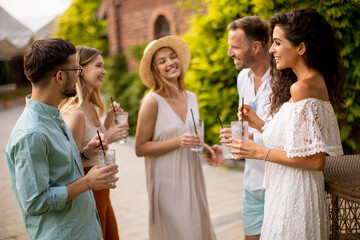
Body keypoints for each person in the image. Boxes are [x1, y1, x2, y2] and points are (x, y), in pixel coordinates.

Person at [231, 8, 344, 239]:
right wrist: (259, 123)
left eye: (277, 43)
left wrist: (259, 152)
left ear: (301, 48)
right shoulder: (312, 81)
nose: (271, 50)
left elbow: (315, 160)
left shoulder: (301, 88)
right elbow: (296, 141)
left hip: (295, 193)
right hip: (290, 189)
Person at [5, 38, 119, 239]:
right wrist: (87, 183)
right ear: (59, 77)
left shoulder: (53, 116)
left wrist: (84, 154)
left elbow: (58, 171)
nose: (78, 77)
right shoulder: (31, 133)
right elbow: (35, 202)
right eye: (76, 71)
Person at [135, 36, 217, 240]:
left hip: (193, 175)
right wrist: (177, 142)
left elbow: (189, 134)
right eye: (161, 61)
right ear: (155, 70)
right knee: (181, 233)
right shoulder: (152, 101)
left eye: (172, 57)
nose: (170, 63)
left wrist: (203, 145)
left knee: (197, 229)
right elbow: (140, 148)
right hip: (167, 182)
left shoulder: (191, 97)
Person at [205, 16, 271, 240]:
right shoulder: (242, 78)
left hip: (276, 184)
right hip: (251, 183)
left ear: (255, 47)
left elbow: (287, 138)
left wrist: (247, 136)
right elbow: (245, 129)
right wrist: (229, 152)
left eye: (235, 46)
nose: (229, 53)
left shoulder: (283, 81)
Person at [59, 46, 129, 240]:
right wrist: (111, 137)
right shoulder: (75, 113)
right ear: (80, 69)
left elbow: (95, 145)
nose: (104, 71)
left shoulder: (91, 104)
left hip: (103, 193)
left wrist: (107, 122)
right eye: (99, 66)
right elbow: (69, 166)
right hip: (89, 194)